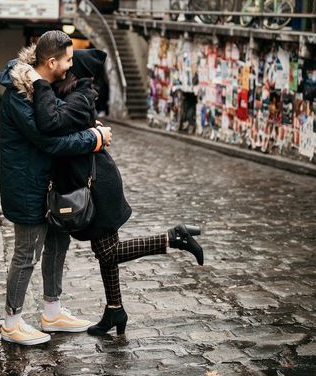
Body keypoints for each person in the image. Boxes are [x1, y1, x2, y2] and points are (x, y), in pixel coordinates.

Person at [24, 48, 204, 336]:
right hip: (91, 180)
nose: (63, 66)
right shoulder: (69, 95)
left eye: (69, 63)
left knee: (109, 251)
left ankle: (173, 237)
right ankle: (114, 310)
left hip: (97, 185)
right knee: (106, 252)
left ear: (74, 72)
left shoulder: (78, 98)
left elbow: (52, 126)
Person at [0, 31, 112, 346]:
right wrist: (94, 139)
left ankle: (52, 311)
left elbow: (63, 122)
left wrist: (90, 128)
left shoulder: (48, 87)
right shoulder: (19, 95)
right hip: (27, 185)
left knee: (58, 245)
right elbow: (49, 139)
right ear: (51, 61)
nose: (71, 66)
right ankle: (12, 322)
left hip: (52, 183)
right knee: (27, 253)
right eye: (69, 60)